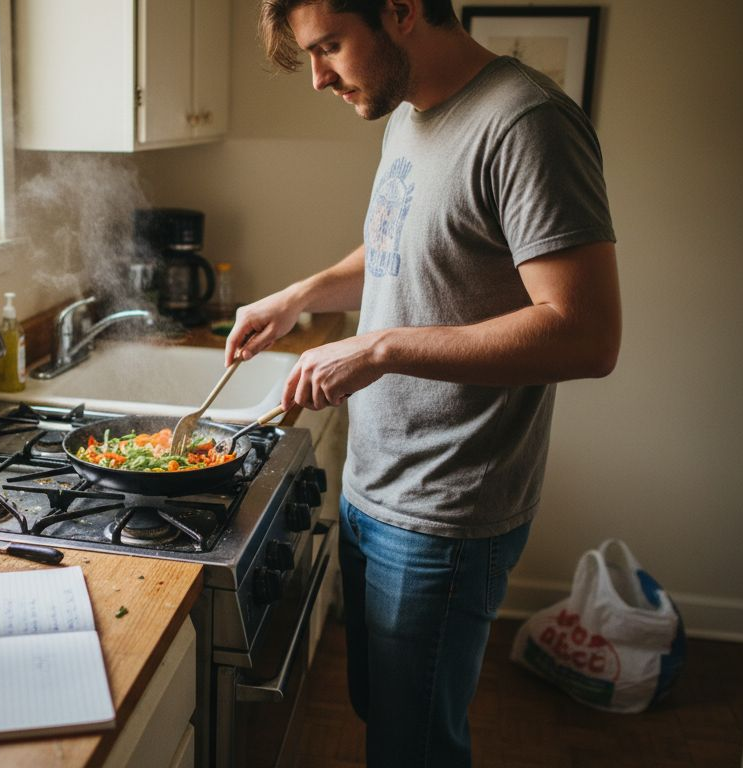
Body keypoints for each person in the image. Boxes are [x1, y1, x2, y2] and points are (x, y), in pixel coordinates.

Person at [228, 1, 622, 765]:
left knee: (413, 748)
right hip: (377, 481)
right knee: (384, 716)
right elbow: (402, 249)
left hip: (447, 504)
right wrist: (299, 295)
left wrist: (377, 350)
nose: (317, 78)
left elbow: (585, 334)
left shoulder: (526, 123)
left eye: (331, 47)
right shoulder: (408, 114)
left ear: (402, 12)